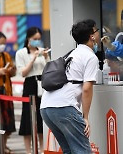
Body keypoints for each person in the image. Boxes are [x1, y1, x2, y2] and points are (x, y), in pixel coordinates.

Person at [40, 19, 100, 153]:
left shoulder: (71, 54)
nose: (98, 34)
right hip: (65, 107)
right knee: (82, 151)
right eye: (97, 31)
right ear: (92, 36)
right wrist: (85, 117)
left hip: (46, 107)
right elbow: (86, 88)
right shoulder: (90, 57)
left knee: (69, 151)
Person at [15, 27, 50, 154]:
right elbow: (23, 72)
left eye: (39, 39)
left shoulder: (42, 51)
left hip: (43, 83)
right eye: (34, 39)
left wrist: (46, 57)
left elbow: (49, 68)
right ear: (28, 38)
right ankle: (28, 150)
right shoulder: (21, 53)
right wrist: (33, 58)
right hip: (30, 84)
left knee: (42, 117)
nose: (37, 41)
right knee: (28, 118)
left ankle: (41, 149)